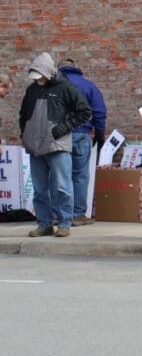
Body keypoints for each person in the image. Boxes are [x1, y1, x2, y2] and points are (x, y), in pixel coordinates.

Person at [18, 52, 91, 238]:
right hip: (35, 147)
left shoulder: (66, 87)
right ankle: (44, 224)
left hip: (57, 145)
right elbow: (23, 114)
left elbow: (84, 112)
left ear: (48, 72)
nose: (38, 79)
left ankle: (65, 223)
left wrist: (64, 127)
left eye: (40, 75)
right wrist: (24, 134)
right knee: (39, 189)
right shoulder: (32, 89)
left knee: (62, 186)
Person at [56, 58, 107, 226]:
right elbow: (99, 111)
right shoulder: (88, 85)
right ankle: (78, 215)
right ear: (76, 68)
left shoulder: (51, 85)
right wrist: (100, 135)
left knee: (59, 175)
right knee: (80, 176)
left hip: (58, 135)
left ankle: (60, 215)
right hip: (81, 134)